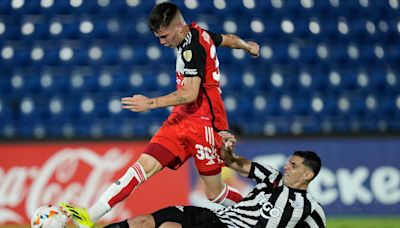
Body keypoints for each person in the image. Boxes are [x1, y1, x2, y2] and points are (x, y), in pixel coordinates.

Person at [59, 2, 260, 227]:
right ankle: (90, 215)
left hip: (205, 124)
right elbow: (227, 39)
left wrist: (150, 103)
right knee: (141, 167)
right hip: (180, 119)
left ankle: (258, 211)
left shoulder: (192, 48)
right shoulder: (198, 32)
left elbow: (191, 93)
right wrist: (247, 45)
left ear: (179, 28)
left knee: (214, 194)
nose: (162, 42)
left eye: (164, 36)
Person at [105, 144, 326, 228]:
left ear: (308, 174)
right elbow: (233, 162)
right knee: (145, 222)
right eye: (288, 162)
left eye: (293, 165)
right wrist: (226, 150)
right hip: (214, 218)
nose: (286, 167)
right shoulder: (272, 178)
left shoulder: (310, 208)